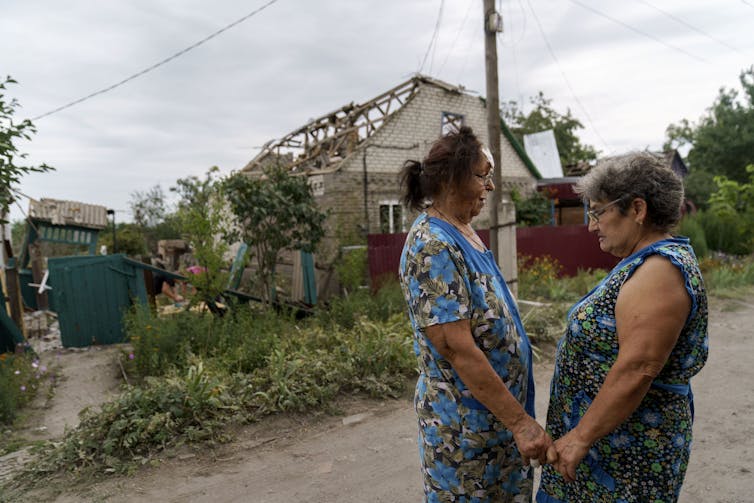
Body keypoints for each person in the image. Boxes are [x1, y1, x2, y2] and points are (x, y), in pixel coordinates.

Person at [537, 152, 709, 502]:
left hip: (626, 454)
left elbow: (639, 367)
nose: (591, 224)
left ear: (637, 210)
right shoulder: (645, 262)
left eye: (598, 211)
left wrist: (581, 436)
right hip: (608, 448)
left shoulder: (661, 269)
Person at [398, 126, 551, 502]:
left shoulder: (462, 230)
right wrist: (521, 424)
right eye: (483, 176)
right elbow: (455, 347)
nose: (491, 186)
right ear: (452, 179)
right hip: (465, 431)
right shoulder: (431, 245)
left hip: (493, 424)